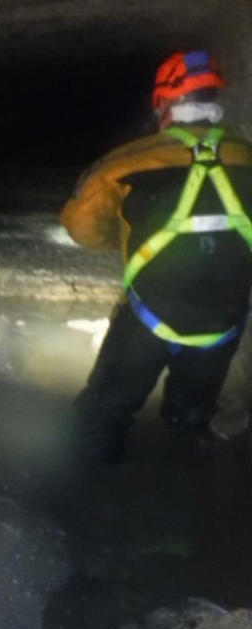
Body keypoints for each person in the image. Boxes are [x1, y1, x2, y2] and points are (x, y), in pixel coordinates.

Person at [61, 51, 252, 461]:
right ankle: (189, 470)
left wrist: (130, 237)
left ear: (162, 104)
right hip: (223, 322)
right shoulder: (247, 154)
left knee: (101, 416)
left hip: (149, 317)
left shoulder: (127, 162)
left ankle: (86, 501)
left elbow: (81, 226)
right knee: (190, 417)